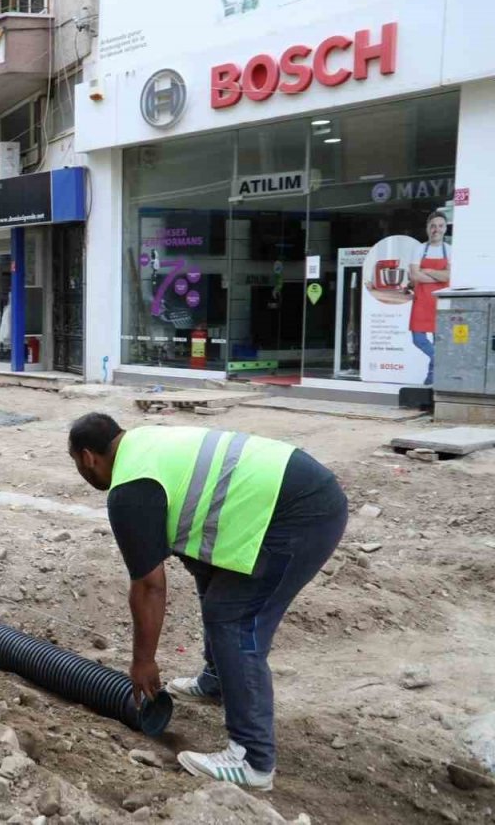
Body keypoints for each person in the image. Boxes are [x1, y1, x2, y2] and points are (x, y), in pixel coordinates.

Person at [66, 413, 347, 791]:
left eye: (78, 465)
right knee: (211, 579)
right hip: (298, 489)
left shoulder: (130, 488)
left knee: (233, 617)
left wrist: (143, 660)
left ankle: (253, 760)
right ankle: (217, 680)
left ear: (88, 457)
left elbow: (149, 586)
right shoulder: (146, 443)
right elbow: (192, 544)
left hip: (300, 512)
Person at [408, 211, 450, 386]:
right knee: (418, 338)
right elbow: (414, 276)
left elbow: (449, 276)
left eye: (440, 226)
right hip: (422, 300)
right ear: (427, 228)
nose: (436, 229)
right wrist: (438, 276)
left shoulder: (449, 250)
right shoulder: (419, 249)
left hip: (440, 302)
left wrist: (428, 271)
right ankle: (440, 362)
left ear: (445, 228)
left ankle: (431, 379)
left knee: (439, 340)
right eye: (433, 226)